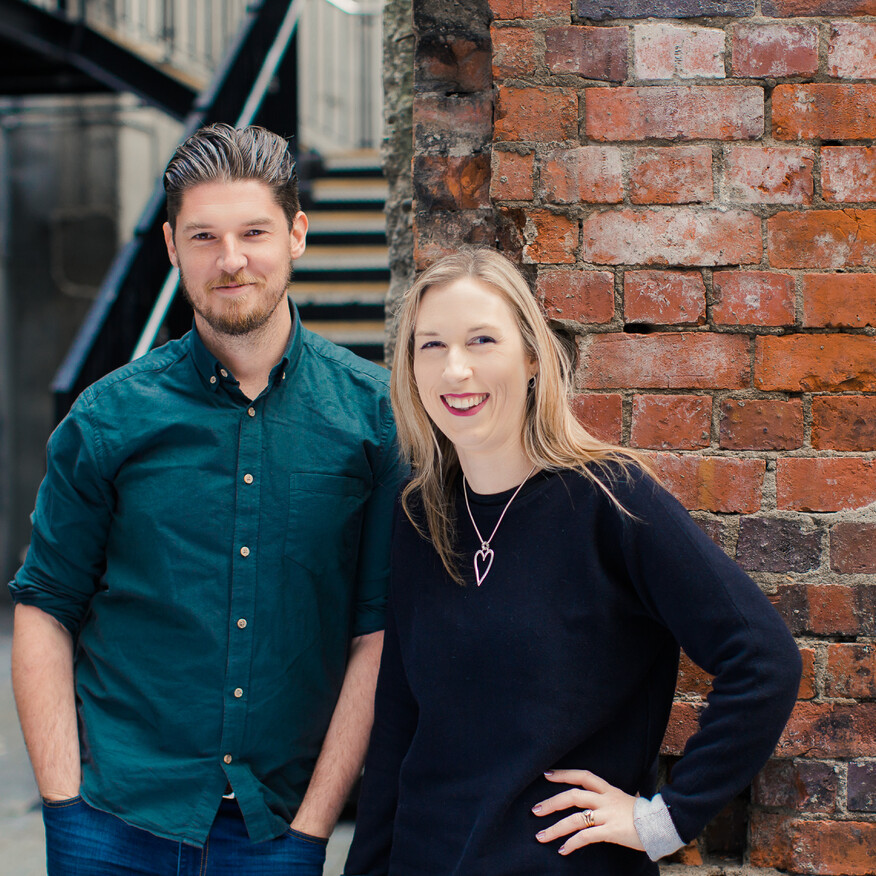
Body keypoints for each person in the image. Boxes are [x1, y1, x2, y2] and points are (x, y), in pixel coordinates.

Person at [10, 123, 403, 875]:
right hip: (113, 818)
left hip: (274, 830)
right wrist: (64, 808)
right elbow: (45, 605)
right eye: (203, 237)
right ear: (170, 247)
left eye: (253, 231)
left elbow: (374, 635)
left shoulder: (373, 418)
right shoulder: (107, 418)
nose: (230, 261)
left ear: (296, 234)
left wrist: (314, 828)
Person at [343, 248, 802, 875]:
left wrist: (662, 821)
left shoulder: (610, 499)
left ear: (532, 357)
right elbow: (398, 721)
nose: (455, 369)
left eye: (482, 340)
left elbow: (762, 658)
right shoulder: (420, 516)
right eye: (431, 346)